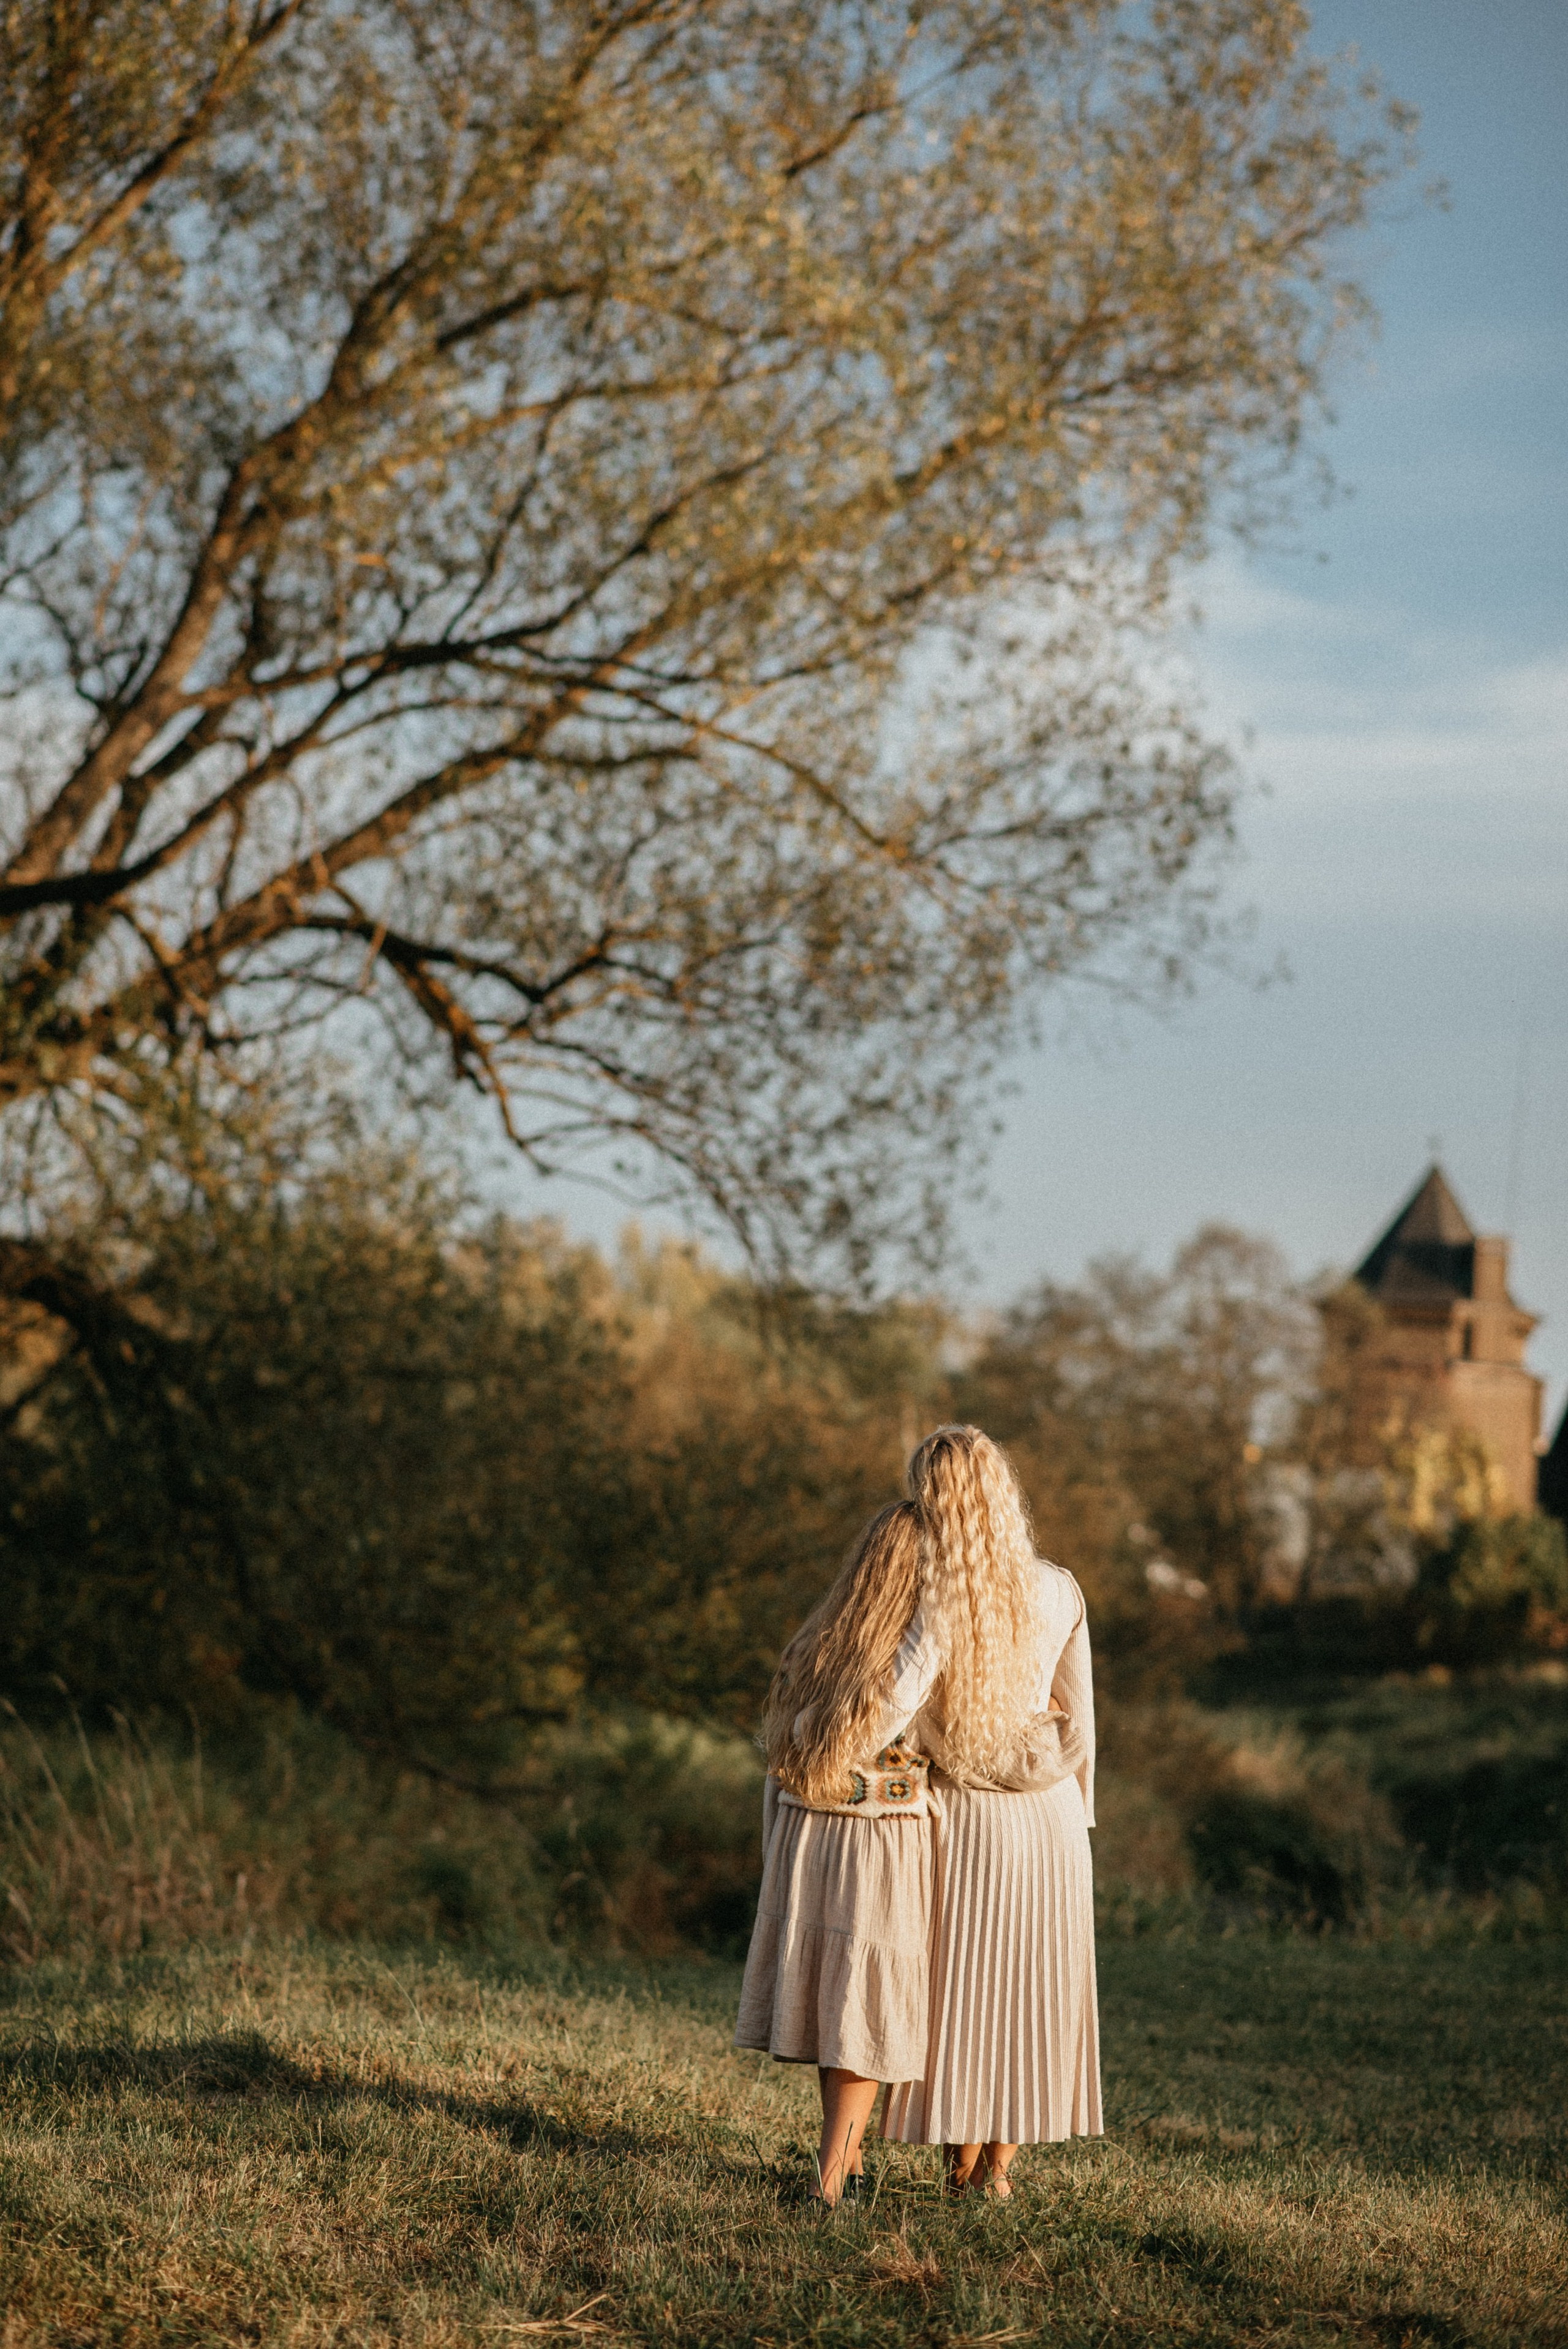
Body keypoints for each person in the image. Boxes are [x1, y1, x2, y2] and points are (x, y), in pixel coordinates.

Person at [882, 1423, 1101, 2195]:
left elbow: (897, 1698)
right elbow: (1079, 1719)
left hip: (965, 1819)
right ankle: (998, 2173)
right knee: (1034, 1997)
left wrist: (827, 1746)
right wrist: (1080, 1817)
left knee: (962, 1998)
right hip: (1050, 1821)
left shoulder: (936, 1593)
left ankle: (960, 2167)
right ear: (1003, 1489)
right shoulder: (1059, 1586)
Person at [734, 1500, 937, 2207]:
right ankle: (829, 2176)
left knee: (837, 1995)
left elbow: (784, 1737)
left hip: (805, 1830)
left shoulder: (823, 1637)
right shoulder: (920, 1638)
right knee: (865, 2001)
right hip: (874, 1833)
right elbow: (905, 1712)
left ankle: (847, 2162)